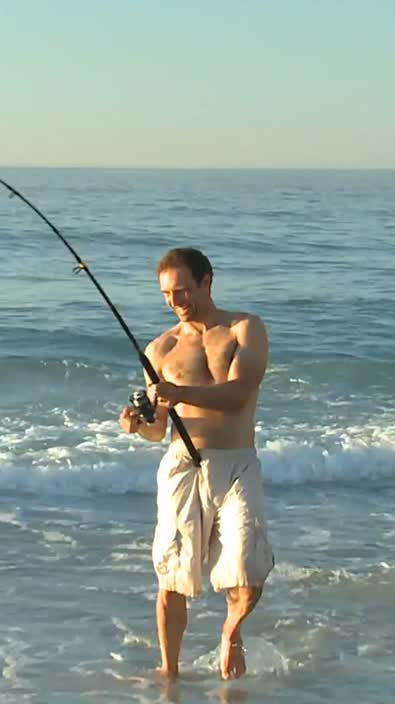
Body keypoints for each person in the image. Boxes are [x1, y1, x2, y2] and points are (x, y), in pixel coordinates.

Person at [119, 247, 274, 680]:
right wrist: (137, 425)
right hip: (182, 465)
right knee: (171, 577)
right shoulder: (160, 348)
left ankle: (231, 632)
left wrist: (182, 394)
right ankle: (169, 671)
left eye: (182, 289)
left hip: (236, 464)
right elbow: (158, 429)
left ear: (207, 280)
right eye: (167, 293)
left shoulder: (245, 329)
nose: (175, 300)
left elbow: (239, 393)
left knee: (249, 575)